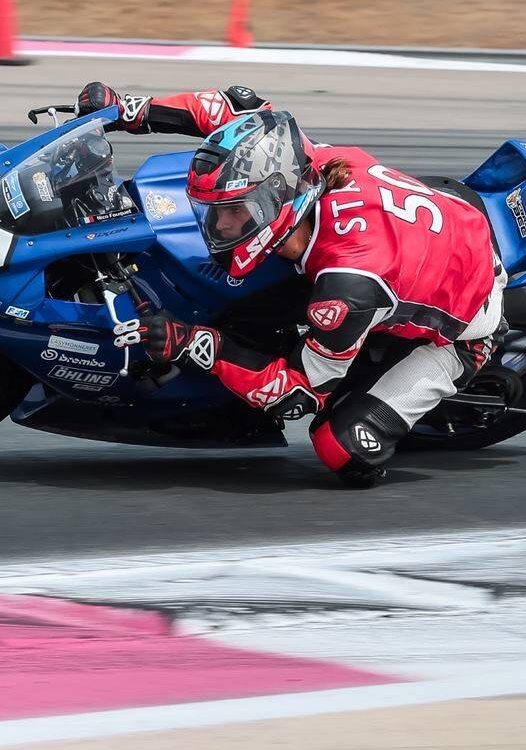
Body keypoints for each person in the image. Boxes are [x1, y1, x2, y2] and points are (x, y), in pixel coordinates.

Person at [77, 81, 504, 487]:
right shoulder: (303, 155)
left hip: (462, 321)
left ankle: (436, 371)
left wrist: (193, 342)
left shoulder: (345, 289)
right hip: (440, 221)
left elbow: (297, 392)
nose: (219, 225)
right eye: (214, 212)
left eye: (234, 213)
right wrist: (126, 109)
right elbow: (231, 108)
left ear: (276, 201)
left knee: (342, 450)